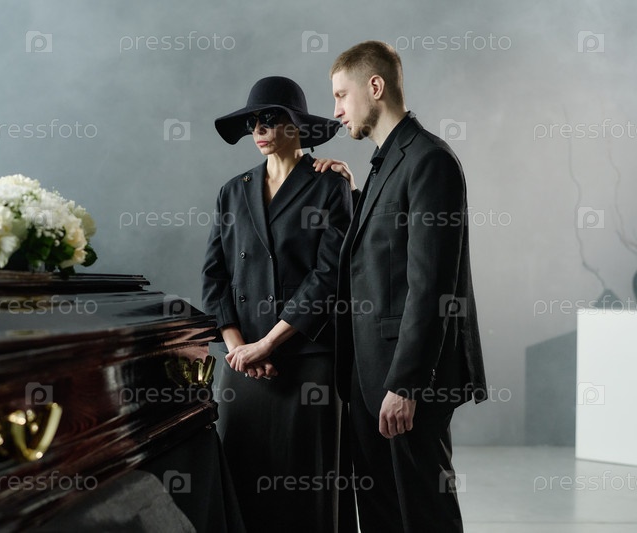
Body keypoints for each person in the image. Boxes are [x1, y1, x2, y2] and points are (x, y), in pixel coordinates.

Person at [329, 41, 488, 532]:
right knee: (381, 515)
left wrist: (406, 384)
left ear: (375, 87)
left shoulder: (430, 160)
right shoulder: (385, 163)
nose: (336, 111)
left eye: (341, 95)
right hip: (368, 374)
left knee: (424, 515)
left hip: (407, 380)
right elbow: (384, 248)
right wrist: (354, 194)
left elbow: (432, 286)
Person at [202, 76, 354, 532]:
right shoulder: (233, 191)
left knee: (306, 488)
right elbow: (214, 278)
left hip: (306, 357)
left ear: (296, 125)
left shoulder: (329, 185)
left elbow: (329, 276)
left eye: (270, 119)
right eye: (253, 121)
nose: (259, 129)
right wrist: (239, 349)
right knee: (241, 479)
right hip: (244, 363)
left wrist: (268, 344)